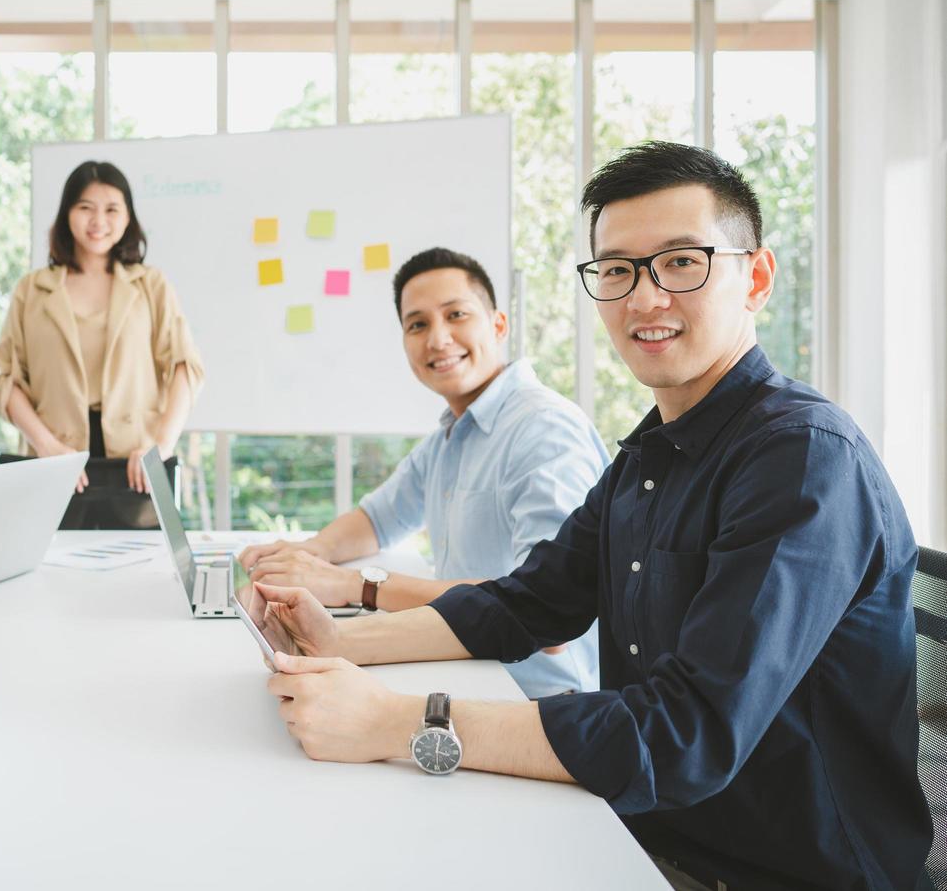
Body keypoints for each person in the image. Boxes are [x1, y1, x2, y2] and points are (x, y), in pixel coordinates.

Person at [254, 142, 930, 890]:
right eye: (615, 270)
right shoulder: (652, 450)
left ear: (756, 278)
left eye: (680, 263)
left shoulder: (801, 459)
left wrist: (394, 722)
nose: (643, 299)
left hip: (779, 872)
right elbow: (525, 603)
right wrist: (345, 643)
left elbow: (684, 737)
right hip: (638, 832)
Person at [239, 247, 608, 698]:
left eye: (456, 315)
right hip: (467, 668)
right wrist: (307, 556)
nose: (437, 339)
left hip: (530, 699)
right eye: (418, 324)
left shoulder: (543, 431)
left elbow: (550, 619)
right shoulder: (451, 435)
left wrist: (356, 586)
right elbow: (377, 519)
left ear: (498, 325)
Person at [0, 160, 204, 528]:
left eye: (111, 209)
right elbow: (5, 382)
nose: (98, 221)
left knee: (137, 573)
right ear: (67, 214)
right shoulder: (32, 289)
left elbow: (186, 367)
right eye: (85, 207)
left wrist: (161, 446)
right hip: (54, 461)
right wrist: (45, 444)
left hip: (135, 465)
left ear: (127, 218)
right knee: (48, 572)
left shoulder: (150, 285)